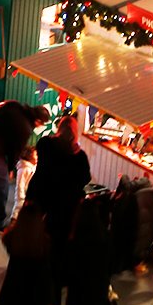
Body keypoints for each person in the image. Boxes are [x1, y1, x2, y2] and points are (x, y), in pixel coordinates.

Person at [27, 112, 91, 293]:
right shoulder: (79, 157)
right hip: (64, 207)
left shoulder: (45, 143)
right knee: (57, 243)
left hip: (39, 197)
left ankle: (30, 270)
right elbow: (85, 178)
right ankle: (53, 280)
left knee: (34, 233)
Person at [0, 101, 51, 233]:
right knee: (2, 184)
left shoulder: (15, 106)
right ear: (38, 121)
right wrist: (9, 170)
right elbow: (15, 152)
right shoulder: (25, 128)